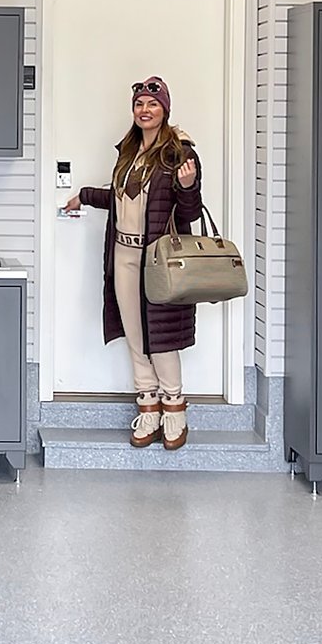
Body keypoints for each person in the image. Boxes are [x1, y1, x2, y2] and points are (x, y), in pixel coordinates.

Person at [61, 76, 204, 450]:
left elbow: (188, 212)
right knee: (136, 336)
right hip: (123, 254)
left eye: (152, 104)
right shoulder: (129, 151)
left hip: (157, 259)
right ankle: (149, 406)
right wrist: (86, 196)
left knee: (161, 338)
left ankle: (175, 410)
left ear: (165, 109)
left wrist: (189, 187)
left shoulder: (180, 153)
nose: (145, 110)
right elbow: (123, 199)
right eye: (140, 104)